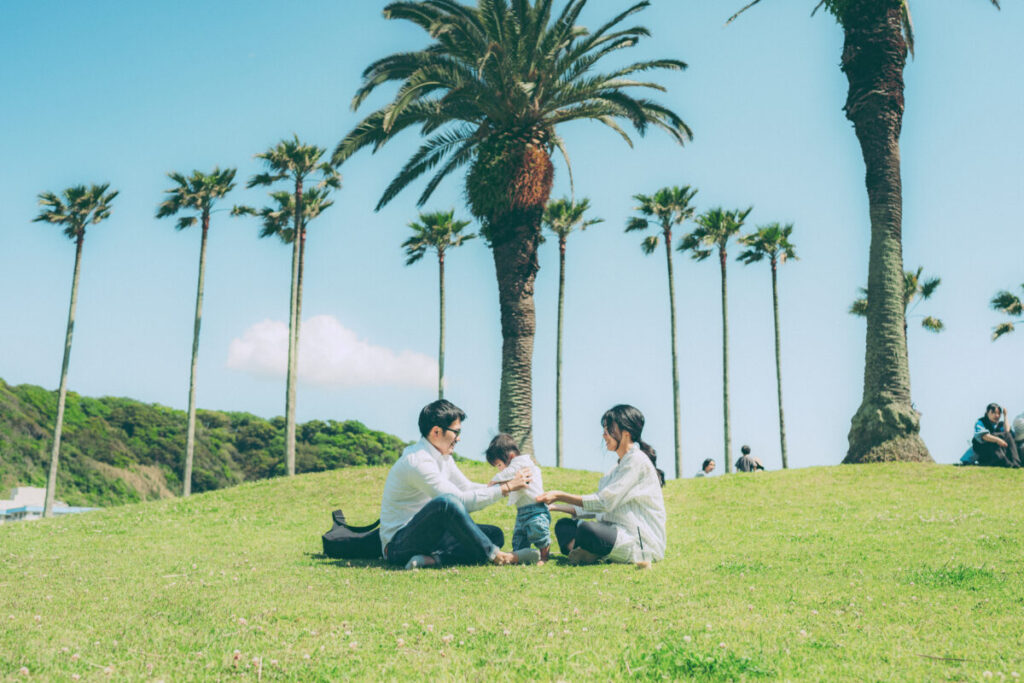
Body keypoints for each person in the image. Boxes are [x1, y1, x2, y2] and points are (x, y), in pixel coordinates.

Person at [379, 400, 539, 569]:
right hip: (399, 545)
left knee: (494, 534)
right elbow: (459, 501)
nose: (459, 438)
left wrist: (505, 484)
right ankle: (498, 557)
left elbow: (466, 487)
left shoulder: (443, 457)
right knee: (446, 503)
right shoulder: (418, 461)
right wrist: (506, 487)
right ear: (436, 432)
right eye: (456, 432)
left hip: (431, 537)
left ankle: (432, 560)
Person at [537, 405, 667, 565]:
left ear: (626, 434)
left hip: (640, 542)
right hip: (613, 533)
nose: (604, 435)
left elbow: (603, 502)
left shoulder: (636, 461)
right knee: (563, 525)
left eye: (609, 430)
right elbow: (595, 508)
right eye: (604, 429)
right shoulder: (615, 470)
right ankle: (588, 552)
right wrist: (554, 506)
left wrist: (560, 495)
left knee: (587, 530)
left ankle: (589, 552)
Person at [485, 434, 551, 562]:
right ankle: (519, 556)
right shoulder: (515, 469)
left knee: (539, 531)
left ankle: (544, 557)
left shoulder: (521, 462)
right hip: (521, 511)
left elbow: (509, 472)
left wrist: (495, 481)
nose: (499, 470)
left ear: (511, 457)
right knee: (519, 536)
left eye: (499, 465)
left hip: (536, 509)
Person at [971, 403, 1021, 468]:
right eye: (993, 413)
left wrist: (1005, 416)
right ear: (987, 413)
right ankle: (1007, 464)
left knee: (1008, 435)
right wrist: (997, 440)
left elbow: (1007, 432)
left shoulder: (1000, 424)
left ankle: (1016, 463)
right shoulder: (981, 422)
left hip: (999, 451)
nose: (997, 415)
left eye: (999, 413)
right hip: (985, 451)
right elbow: (984, 436)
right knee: (994, 436)